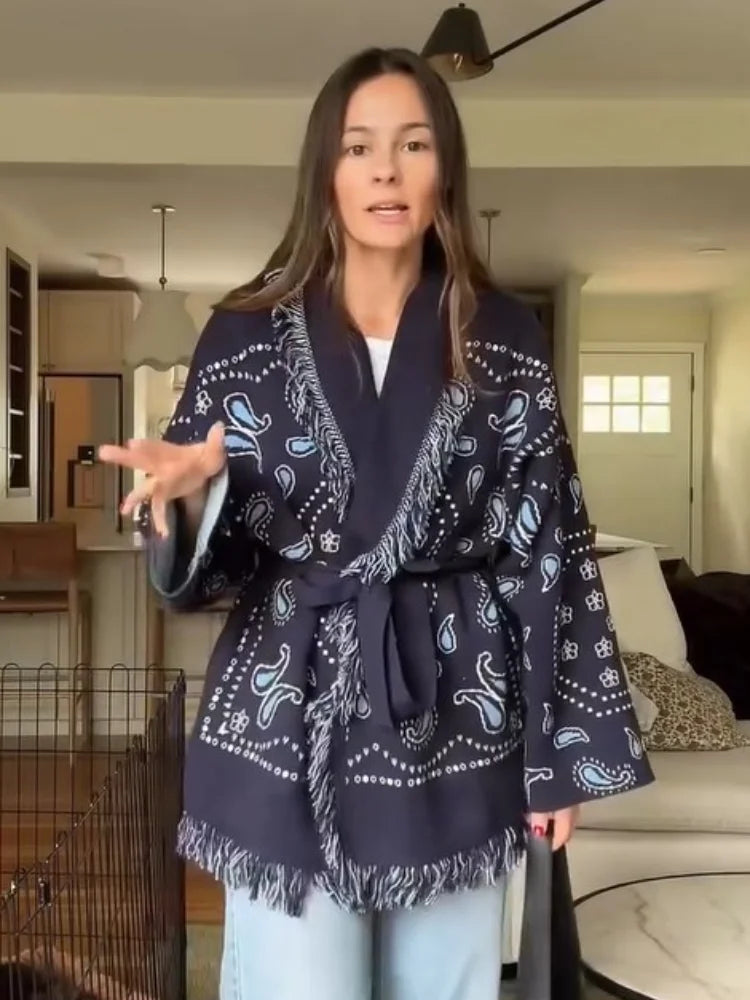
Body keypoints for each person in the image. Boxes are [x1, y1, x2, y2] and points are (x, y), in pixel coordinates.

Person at [99, 46, 654, 1000]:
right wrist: (194, 497)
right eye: (359, 147)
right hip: (288, 715)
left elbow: (550, 551)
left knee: (447, 984)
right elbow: (211, 572)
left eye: (413, 145)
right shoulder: (244, 333)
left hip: (458, 717)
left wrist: (558, 759)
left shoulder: (504, 338)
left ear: (446, 170)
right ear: (327, 170)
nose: (386, 172)